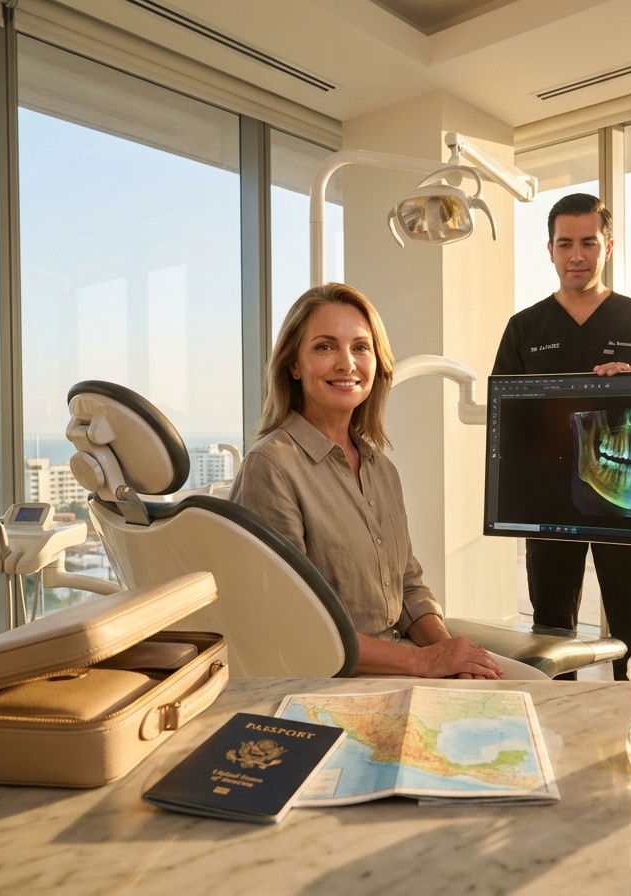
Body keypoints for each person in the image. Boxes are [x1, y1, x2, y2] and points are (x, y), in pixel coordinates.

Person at [231, 283, 543, 680]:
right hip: (332, 678)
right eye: (325, 347)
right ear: (294, 364)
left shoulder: (380, 468)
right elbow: (294, 626)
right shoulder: (271, 467)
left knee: (536, 684)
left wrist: (447, 653)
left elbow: (409, 588)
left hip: (399, 658)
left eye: (361, 347)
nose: (347, 363)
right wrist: (425, 662)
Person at [493, 193, 631, 679]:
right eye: (565, 243)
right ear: (550, 250)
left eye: (588, 243)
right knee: (552, 630)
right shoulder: (524, 328)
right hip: (550, 501)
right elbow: (506, 420)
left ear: (608, 247)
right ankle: (559, 725)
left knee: (629, 627)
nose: (577, 255)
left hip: (627, 499)